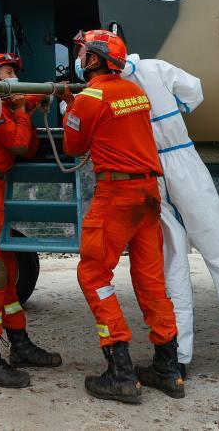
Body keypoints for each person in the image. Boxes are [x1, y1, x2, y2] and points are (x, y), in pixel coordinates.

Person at [121, 53, 219, 378]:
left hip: (149, 171)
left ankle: (178, 358)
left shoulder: (102, 87)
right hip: (184, 161)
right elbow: (194, 91)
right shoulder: (155, 68)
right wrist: (172, 112)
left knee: (172, 264)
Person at [60, 30, 181, 404]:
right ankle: (168, 370)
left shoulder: (90, 98)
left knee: (93, 274)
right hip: (148, 194)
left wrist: (70, 108)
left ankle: (121, 371)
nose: (79, 57)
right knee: (150, 280)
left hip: (117, 196)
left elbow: (73, 146)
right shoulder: (134, 92)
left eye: (83, 52)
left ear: (95, 59)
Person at [0, 52, 62, 389]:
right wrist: (21, 111)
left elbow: (28, 147)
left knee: (8, 271)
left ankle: (19, 344)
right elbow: (18, 144)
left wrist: (25, 111)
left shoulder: (5, 109)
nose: (13, 77)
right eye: (6, 71)